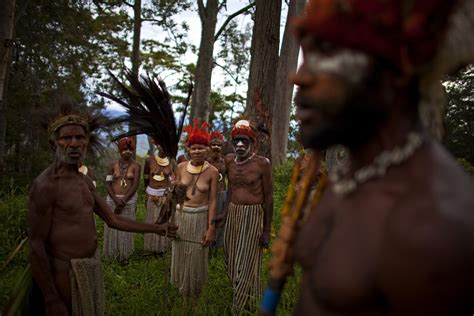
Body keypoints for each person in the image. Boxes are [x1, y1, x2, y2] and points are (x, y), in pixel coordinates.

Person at [290, 0, 474, 314]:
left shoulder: (430, 224)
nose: (300, 77)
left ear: (396, 75)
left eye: (329, 53)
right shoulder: (354, 173)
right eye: (307, 54)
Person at [28, 99, 177, 315]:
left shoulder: (84, 182)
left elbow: (113, 219)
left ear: (87, 142)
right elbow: (36, 245)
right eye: (66, 138)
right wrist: (50, 298)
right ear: (54, 143)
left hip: (89, 270)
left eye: (79, 137)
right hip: (63, 275)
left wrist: (156, 228)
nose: (74, 143)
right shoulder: (45, 185)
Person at [220, 119, 273, 313]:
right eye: (237, 141)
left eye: (244, 141)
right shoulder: (228, 161)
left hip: (253, 216)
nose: (240, 145)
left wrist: (266, 231)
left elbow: (269, 198)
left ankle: (241, 306)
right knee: (231, 258)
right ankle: (243, 295)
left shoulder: (262, 164)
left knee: (248, 260)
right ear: (233, 143)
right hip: (233, 214)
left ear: (252, 143)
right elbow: (230, 190)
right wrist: (224, 214)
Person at [171, 120, 218, 296]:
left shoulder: (212, 171)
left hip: (200, 217)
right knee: (180, 252)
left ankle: (195, 290)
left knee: (196, 254)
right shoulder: (181, 167)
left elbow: (213, 200)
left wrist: (211, 227)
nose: (197, 151)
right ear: (188, 150)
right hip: (181, 216)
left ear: (207, 149)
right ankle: (180, 287)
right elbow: (175, 196)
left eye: (200, 148)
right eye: (193, 148)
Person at [103, 137, 141, 265]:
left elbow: (135, 185)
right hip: (112, 200)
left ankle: (125, 254)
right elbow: (108, 184)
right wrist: (115, 200)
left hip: (128, 201)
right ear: (120, 150)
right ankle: (112, 252)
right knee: (113, 226)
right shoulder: (112, 165)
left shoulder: (136, 166)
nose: (127, 152)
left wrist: (123, 201)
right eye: (125, 149)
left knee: (126, 226)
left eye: (130, 149)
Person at [143, 141, 176, 255]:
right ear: (157, 145)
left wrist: (170, 191)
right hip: (152, 194)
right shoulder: (149, 160)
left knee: (163, 219)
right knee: (152, 220)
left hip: (165, 196)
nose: (162, 147)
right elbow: (146, 178)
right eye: (160, 144)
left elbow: (174, 180)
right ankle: (151, 247)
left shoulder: (171, 161)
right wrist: (147, 193)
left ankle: (163, 248)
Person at [207, 130, 227, 251]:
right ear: (209, 147)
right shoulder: (206, 162)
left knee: (220, 219)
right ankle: (207, 244)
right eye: (213, 145)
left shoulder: (225, 162)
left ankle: (217, 246)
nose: (216, 147)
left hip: (222, 193)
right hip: (208, 194)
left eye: (219, 145)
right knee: (208, 219)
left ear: (222, 147)